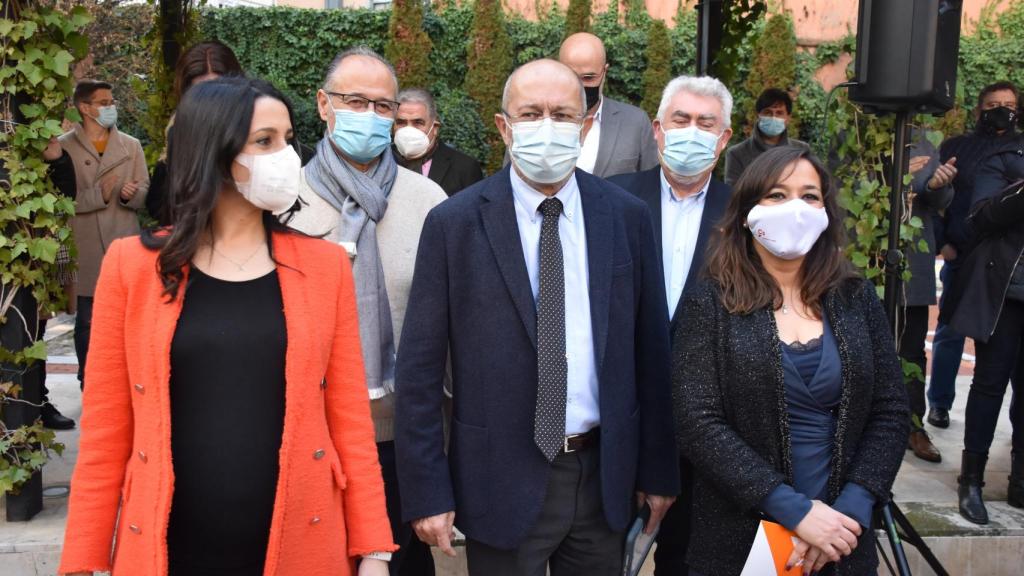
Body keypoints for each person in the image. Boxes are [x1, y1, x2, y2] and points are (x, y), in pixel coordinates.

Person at [58, 77, 396, 576]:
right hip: (170, 546)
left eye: (287, 139)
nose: (284, 156)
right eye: (264, 141)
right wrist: (82, 562)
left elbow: (349, 422)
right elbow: (106, 433)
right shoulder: (131, 267)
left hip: (302, 541)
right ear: (211, 150)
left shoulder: (324, 267)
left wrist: (373, 550)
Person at [394, 59, 679, 576]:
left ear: (585, 124)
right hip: (496, 478)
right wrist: (427, 489)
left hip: (601, 480)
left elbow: (650, 351)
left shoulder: (626, 217)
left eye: (562, 114)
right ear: (504, 126)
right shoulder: (453, 224)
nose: (547, 126)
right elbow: (419, 371)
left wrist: (658, 469)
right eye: (531, 113)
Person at [674, 146, 909, 576]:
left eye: (810, 196)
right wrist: (796, 513)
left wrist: (848, 513)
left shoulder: (855, 299)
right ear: (746, 212)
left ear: (826, 211)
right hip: (742, 536)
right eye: (777, 195)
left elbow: (891, 410)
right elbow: (697, 422)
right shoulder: (709, 302)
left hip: (842, 537)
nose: (795, 208)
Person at [288, 47, 448, 576]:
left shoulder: (428, 201)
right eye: (356, 101)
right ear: (323, 104)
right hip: (311, 437)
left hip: (404, 441)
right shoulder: (287, 202)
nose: (373, 117)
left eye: (384, 106)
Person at [608, 74, 733, 576]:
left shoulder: (746, 213)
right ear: (657, 130)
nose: (692, 131)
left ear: (724, 139)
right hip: (622, 422)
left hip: (708, 434)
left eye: (707, 123)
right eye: (680, 120)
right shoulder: (609, 200)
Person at [943, 107, 1024, 525]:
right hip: (1006, 292)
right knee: (990, 385)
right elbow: (982, 217)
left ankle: (1020, 481)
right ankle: (970, 480)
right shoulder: (1006, 161)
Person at [928, 81, 1020, 430]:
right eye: (993, 103)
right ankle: (939, 403)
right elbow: (937, 199)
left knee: (1009, 345)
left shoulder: (1020, 149)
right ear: (979, 109)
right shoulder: (957, 147)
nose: (1001, 110)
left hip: (1007, 262)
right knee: (950, 333)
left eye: (1008, 104)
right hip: (963, 255)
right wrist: (943, 244)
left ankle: (1015, 421)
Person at [60, 79, 149, 390]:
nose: (111, 107)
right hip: (84, 243)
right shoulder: (63, 147)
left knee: (127, 319)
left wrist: (129, 195)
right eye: (104, 102)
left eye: (112, 101)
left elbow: (145, 193)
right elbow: (61, 202)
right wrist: (99, 193)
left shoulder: (131, 145)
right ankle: (90, 381)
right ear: (85, 108)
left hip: (122, 239)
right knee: (86, 321)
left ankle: (127, 382)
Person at [899, 135, 956, 463]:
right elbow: (838, 191)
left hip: (913, 265)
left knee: (911, 351)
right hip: (867, 262)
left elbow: (942, 200)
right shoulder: (858, 132)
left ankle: (914, 425)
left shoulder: (923, 142)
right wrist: (899, 175)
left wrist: (937, 185)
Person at [147, 41, 244, 226]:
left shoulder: (256, 124)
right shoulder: (179, 128)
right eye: (200, 92)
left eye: (218, 90)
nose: (210, 100)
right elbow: (160, 205)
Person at [558, 32, 659, 178]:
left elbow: (651, 184)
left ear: (604, 72)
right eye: (571, 76)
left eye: (589, 77)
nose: (579, 85)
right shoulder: (535, 122)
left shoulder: (635, 123)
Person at [393, 87, 484, 196]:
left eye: (418, 122)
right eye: (401, 122)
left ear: (435, 128)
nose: (408, 129)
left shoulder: (464, 168)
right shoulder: (379, 160)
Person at [724, 88, 809, 186]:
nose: (773, 117)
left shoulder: (801, 150)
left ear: (788, 118)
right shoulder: (737, 154)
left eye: (779, 113)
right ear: (758, 115)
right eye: (768, 112)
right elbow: (733, 195)